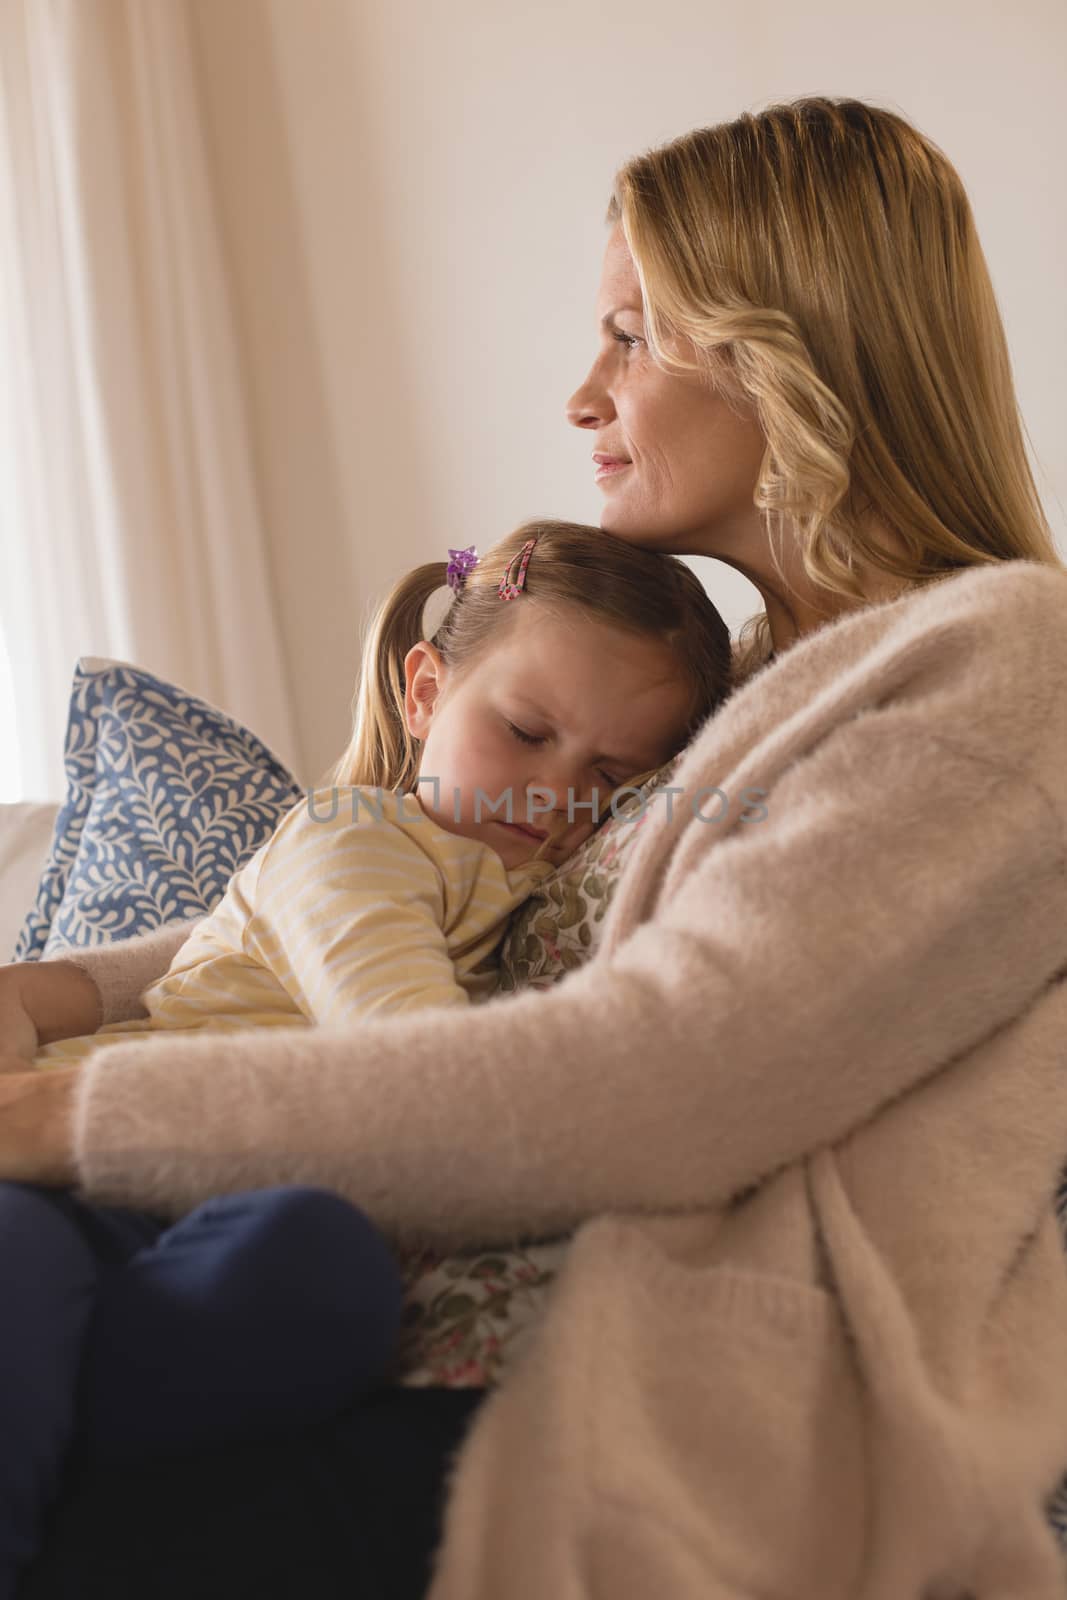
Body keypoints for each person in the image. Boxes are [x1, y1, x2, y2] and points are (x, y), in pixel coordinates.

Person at [3, 93, 1067, 1599]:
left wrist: (53, 1122)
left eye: (634, 336)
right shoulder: (737, 684)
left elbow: (654, 1084)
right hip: (402, 1336)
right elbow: (385, 879)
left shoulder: (994, 667)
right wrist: (56, 995)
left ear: (796, 348)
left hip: (601, 1420)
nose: (582, 394)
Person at [1, 520, 732, 1597]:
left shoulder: (533, 892)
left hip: (221, 1217)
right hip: (86, 1172)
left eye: (611, 775)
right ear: (424, 691)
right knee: (20, 1267)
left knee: (326, 1269)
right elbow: (409, 1057)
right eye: (526, 731)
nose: (554, 794)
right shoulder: (353, 837)